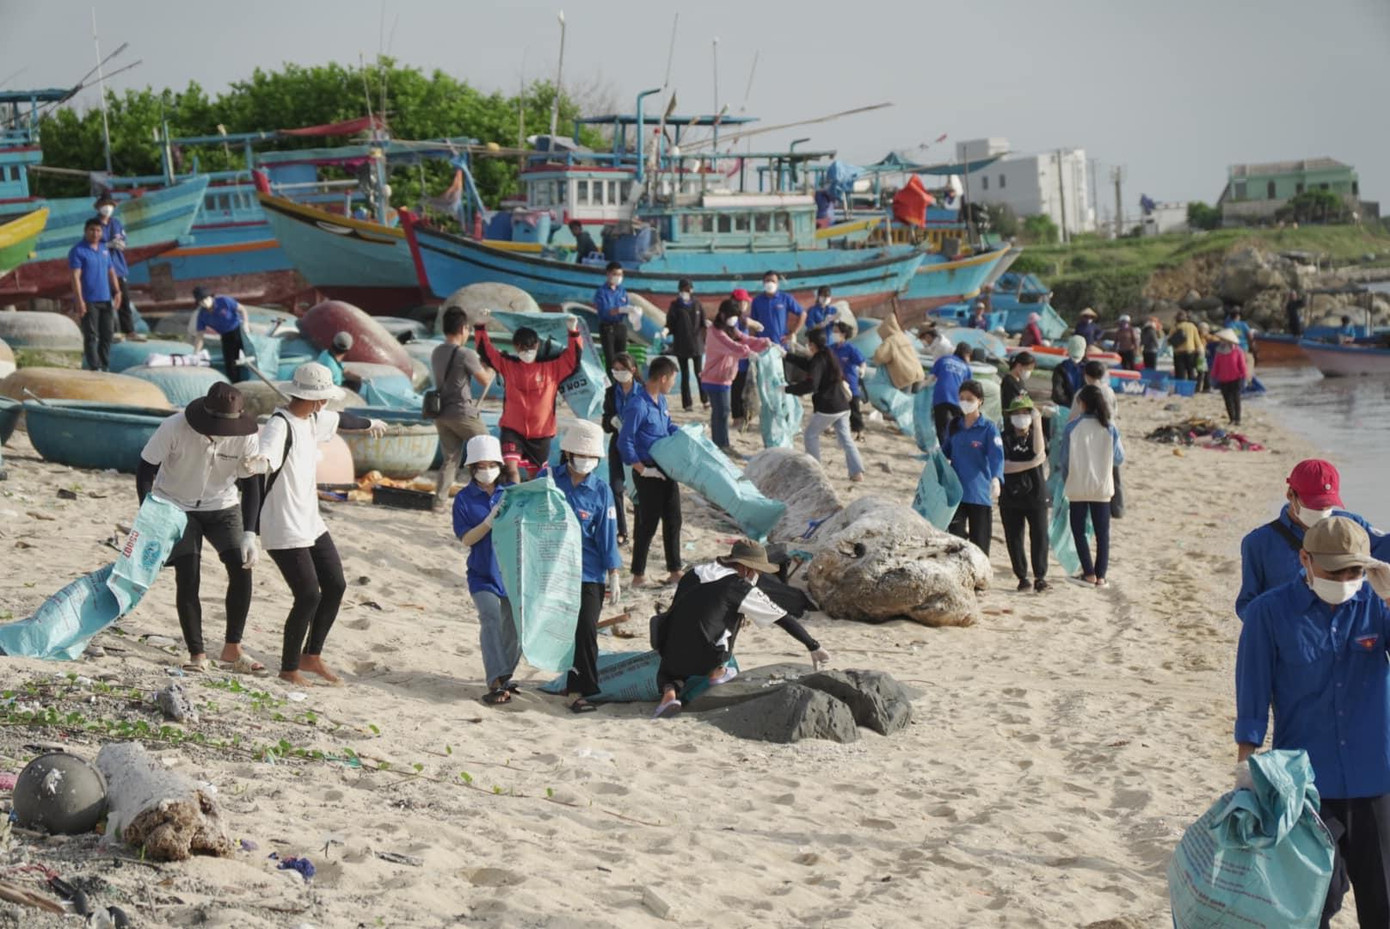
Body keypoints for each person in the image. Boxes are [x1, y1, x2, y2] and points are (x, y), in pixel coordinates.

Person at [1234, 517, 1390, 928]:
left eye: (1354, 571)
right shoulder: (1268, 613)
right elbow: (1253, 692)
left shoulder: (1377, 605)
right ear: (1305, 559)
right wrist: (1246, 768)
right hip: (1305, 788)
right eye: (1334, 572)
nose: (1345, 580)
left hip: (1376, 778)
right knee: (1314, 904)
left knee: (1384, 904)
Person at [256, 364, 385, 687]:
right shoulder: (278, 425)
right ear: (315, 398)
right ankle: (288, 668)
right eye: (324, 397)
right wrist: (259, 462)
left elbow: (343, 420)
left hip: (310, 520)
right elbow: (264, 457)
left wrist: (371, 423)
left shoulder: (314, 418)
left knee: (335, 584)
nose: (326, 403)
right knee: (307, 595)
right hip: (283, 524)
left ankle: (311, 656)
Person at [136, 383, 264, 673]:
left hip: (222, 505)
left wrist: (249, 533)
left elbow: (252, 484)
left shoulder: (246, 436)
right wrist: (150, 514)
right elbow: (145, 469)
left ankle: (233, 648)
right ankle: (197, 653)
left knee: (242, 568)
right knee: (188, 573)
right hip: (176, 505)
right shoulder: (174, 427)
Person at [652, 540, 830, 719]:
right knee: (735, 613)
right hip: (707, 657)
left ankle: (669, 694)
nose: (758, 575)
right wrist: (813, 645)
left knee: (672, 666)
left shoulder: (694, 572)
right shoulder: (738, 587)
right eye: (758, 571)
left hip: (668, 651)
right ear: (746, 568)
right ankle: (717, 672)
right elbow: (781, 617)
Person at [1235, 459, 1380, 621]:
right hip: (1291, 628)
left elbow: (1384, 551)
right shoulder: (1258, 542)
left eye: (1327, 504)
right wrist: (1271, 625)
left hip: (1346, 627)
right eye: (1315, 505)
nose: (1322, 510)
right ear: (1290, 495)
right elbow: (1247, 604)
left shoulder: (1353, 526)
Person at [552, 420, 623, 714]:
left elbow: (607, 534)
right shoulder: (549, 481)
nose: (586, 461)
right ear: (568, 453)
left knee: (586, 629)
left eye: (591, 457)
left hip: (589, 571)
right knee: (560, 631)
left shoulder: (601, 490)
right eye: (581, 455)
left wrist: (614, 572)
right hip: (553, 569)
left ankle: (580, 691)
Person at [452, 434, 519, 705]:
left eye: (492, 465)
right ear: (472, 468)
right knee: (490, 619)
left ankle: (505, 676)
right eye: (481, 466)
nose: (487, 470)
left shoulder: (513, 494)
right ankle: (495, 681)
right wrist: (489, 522)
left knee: (516, 627)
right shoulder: (463, 499)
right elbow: (466, 539)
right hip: (482, 573)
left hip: (512, 573)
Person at [474, 319, 582, 483]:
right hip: (512, 430)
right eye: (522, 348)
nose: (527, 351)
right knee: (510, 470)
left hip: (541, 433)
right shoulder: (508, 364)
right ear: (516, 347)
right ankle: (514, 496)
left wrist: (573, 333)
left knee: (536, 477)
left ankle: (531, 499)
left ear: (537, 346)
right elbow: (486, 352)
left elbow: (573, 358)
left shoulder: (553, 368)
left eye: (530, 347)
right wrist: (480, 327)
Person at [619, 355, 683, 588]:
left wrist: (683, 432)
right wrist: (642, 469)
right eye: (672, 380)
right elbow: (624, 441)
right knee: (648, 524)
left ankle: (675, 570)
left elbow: (667, 426)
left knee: (674, 519)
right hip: (647, 471)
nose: (673, 384)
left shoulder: (661, 401)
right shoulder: (638, 405)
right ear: (663, 378)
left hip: (666, 467)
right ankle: (638, 575)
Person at [1057, 384, 1124, 587]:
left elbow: (1064, 461)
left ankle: (1088, 573)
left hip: (1078, 485)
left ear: (1082, 404)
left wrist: (1067, 479)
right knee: (1102, 534)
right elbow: (1119, 458)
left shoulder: (1072, 428)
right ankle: (1101, 576)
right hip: (1102, 487)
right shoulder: (1109, 428)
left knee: (1078, 531)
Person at [785, 328, 865, 482]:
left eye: (809, 343)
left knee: (810, 435)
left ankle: (815, 471)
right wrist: (787, 355)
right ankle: (857, 472)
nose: (807, 346)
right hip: (842, 405)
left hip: (829, 407)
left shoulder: (819, 359)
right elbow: (808, 364)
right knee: (846, 439)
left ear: (812, 345)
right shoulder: (828, 354)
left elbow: (811, 384)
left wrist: (788, 389)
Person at [432, 307, 493, 505]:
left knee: (450, 459)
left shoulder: (437, 352)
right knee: (488, 449)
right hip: (462, 412)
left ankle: (439, 502)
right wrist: (490, 367)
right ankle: (489, 497)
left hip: (441, 413)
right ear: (463, 329)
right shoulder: (465, 354)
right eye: (468, 329)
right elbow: (484, 380)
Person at [701, 300, 771, 455]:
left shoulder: (731, 330)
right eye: (732, 316)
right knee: (721, 412)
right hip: (714, 379)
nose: (734, 319)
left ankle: (722, 443)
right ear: (723, 315)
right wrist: (749, 353)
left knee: (723, 412)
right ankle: (720, 444)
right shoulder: (715, 332)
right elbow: (732, 347)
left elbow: (745, 339)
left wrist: (763, 343)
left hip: (725, 378)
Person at [942, 380, 1004, 553]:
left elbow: (997, 456)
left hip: (979, 494)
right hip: (956, 494)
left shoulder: (988, 429)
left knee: (980, 544)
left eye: (970, 399)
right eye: (962, 398)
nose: (965, 402)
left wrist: (996, 478)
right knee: (955, 542)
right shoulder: (955, 425)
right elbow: (945, 452)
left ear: (980, 401)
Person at [999, 395, 1050, 592]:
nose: (1021, 417)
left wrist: (1037, 423)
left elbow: (1039, 452)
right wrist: (1030, 464)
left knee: (1040, 536)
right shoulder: (1004, 437)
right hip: (1010, 495)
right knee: (1014, 537)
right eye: (1016, 413)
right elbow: (1004, 466)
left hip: (1036, 494)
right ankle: (1022, 577)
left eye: (1025, 413)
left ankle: (1040, 577)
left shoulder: (1037, 435)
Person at [69, 218, 122, 372]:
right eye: (92, 230)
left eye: (98, 230)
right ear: (85, 231)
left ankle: (104, 365)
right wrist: (79, 300)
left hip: (105, 298)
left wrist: (117, 291)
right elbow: (75, 277)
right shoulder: (78, 250)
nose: (95, 233)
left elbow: (111, 271)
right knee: (91, 335)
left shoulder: (104, 249)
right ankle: (94, 367)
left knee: (107, 334)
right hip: (89, 300)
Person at [602, 352, 641, 545]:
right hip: (617, 443)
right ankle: (621, 530)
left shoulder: (643, 392)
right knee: (616, 487)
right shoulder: (611, 392)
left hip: (638, 445)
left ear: (632, 370)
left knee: (639, 490)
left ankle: (640, 530)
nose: (618, 373)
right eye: (615, 370)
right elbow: (605, 422)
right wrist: (612, 421)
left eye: (622, 369)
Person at [187, 286, 250, 383]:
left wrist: (246, 324)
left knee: (249, 354)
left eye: (206, 299)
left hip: (238, 330)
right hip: (225, 336)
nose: (205, 302)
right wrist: (196, 353)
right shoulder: (202, 315)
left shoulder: (224, 301)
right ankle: (236, 384)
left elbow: (242, 309)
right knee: (230, 363)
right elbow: (200, 336)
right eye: (201, 301)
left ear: (211, 297)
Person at [93, 195, 135, 338]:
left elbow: (124, 240)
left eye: (110, 205)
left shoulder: (116, 223)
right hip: (101, 268)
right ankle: (107, 332)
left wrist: (121, 244)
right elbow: (91, 244)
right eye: (105, 205)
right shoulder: (94, 224)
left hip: (118, 267)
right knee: (104, 302)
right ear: (99, 207)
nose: (108, 208)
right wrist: (107, 245)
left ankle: (129, 331)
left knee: (124, 301)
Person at [666, 279, 708, 411]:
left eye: (688, 289)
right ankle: (687, 404)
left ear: (692, 290)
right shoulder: (675, 306)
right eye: (683, 289)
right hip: (681, 345)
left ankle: (705, 400)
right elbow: (670, 324)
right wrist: (665, 330)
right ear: (679, 291)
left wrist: (706, 337)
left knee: (699, 373)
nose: (685, 292)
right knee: (685, 375)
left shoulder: (697, 304)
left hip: (696, 345)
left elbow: (703, 323)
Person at [930, 342, 973, 448]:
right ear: (966, 354)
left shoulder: (943, 359)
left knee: (941, 428)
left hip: (941, 397)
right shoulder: (966, 368)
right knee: (959, 427)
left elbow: (931, 378)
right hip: (958, 400)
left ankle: (945, 451)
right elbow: (969, 387)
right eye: (969, 356)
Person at [829, 321, 867, 439]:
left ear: (843, 334)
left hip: (850, 383)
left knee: (854, 408)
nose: (833, 334)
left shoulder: (850, 349)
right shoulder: (832, 348)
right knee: (834, 406)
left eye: (836, 332)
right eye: (833, 331)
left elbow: (862, 362)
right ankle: (836, 427)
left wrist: (862, 370)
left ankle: (859, 431)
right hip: (836, 383)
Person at [750, 270, 803, 348]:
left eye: (773, 281)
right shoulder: (757, 301)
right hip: (762, 345)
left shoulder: (785, 298)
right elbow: (753, 324)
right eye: (768, 281)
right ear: (763, 283)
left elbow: (802, 313)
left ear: (777, 283)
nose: (770, 283)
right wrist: (753, 343)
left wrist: (794, 333)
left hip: (781, 344)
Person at [593, 261, 631, 369]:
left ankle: (622, 378)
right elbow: (605, 311)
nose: (618, 277)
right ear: (608, 274)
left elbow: (627, 308)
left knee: (623, 359)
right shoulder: (601, 292)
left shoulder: (622, 291)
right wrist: (619, 310)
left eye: (620, 274)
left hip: (620, 326)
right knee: (611, 360)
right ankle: (611, 378)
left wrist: (633, 312)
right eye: (615, 274)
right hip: (607, 328)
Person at [729, 287, 757, 427]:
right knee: (737, 390)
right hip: (736, 361)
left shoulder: (742, 318)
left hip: (745, 360)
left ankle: (745, 417)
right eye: (743, 302)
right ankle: (737, 417)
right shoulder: (733, 319)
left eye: (746, 302)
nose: (745, 304)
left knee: (746, 389)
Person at [1211, 328, 1250, 426]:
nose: (1221, 341)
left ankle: (1238, 419)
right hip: (1223, 379)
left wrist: (1244, 377)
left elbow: (1242, 365)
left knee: (1236, 399)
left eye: (1223, 339)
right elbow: (1216, 365)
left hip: (1236, 379)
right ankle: (1232, 419)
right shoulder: (1219, 351)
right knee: (1227, 400)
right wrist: (1213, 376)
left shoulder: (1238, 351)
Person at [1068, 361, 1118, 425]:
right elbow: (1114, 412)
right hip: (1107, 426)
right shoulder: (1109, 391)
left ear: (1086, 375)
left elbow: (1073, 417)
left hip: (1086, 428)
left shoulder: (1081, 393)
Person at [1051, 335, 1086, 410]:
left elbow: (1057, 392)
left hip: (1075, 407)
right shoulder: (1061, 368)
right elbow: (1057, 392)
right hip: (1071, 407)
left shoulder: (1060, 368)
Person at [1168, 311, 1202, 382]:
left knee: (1180, 374)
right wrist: (1200, 351)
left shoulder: (1175, 327)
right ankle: (1191, 386)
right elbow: (1197, 341)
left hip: (1178, 353)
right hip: (1190, 352)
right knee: (1191, 372)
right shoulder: (1192, 326)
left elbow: (1169, 342)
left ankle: (1180, 387)